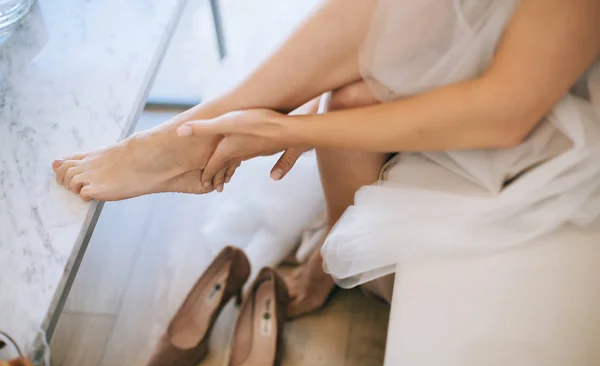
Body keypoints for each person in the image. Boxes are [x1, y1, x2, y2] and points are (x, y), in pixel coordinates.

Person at [52, 0, 599, 328]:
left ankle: (201, 139)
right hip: (499, 38)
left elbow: (506, 114)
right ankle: (193, 134)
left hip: (550, 94)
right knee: (357, 76)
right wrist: (311, 79)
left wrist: (287, 128)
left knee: (352, 100)